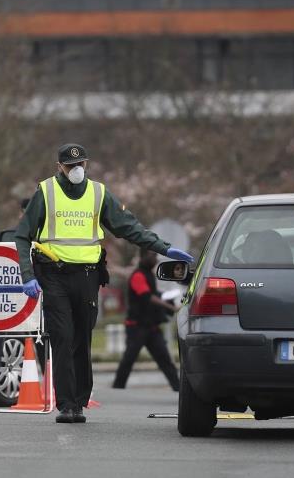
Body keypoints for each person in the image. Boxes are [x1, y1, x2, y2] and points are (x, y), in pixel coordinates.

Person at [14, 143, 194, 423]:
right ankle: (67, 405)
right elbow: (22, 235)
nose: (76, 169)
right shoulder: (46, 192)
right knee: (62, 337)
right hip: (54, 276)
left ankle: (80, 400)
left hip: (87, 276)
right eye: (70, 165)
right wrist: (27, 275)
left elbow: (128, 227)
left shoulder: (98, 193)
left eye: (81, 164)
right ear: (59, 166)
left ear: (87, 164)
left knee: (82, 338)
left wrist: (163, 248)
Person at [112, 248, 180, 391]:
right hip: (137, 327)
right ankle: (118, 387)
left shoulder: (149, 275)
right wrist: (171, 307)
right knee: (129, 359)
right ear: (143, 257)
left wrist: (168, 299)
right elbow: (147, 296)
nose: (155, 259)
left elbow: (154, 294)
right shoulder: (137, 275)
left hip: (152, 328)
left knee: (165, 360)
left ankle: (178, 387)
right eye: (153, 256)